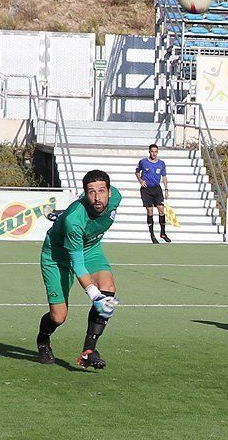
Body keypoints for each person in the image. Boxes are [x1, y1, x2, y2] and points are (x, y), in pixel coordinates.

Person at [36, 170, 122, 370]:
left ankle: (89, 351)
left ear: (110, 192)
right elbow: (77, 264)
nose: (97, 196)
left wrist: (102, 296)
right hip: (57, 255)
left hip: (90, 248)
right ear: (84, 194)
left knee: (108, 287)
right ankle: (43, 339)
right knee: (59, 317)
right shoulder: (74, 222)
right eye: (91, 192)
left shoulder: (116, 198)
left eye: (101, 191)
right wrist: (94, 296)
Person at [136, 143, 171, 244]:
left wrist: (166, 189)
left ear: (157, 152)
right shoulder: (143, 162)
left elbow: (164, 177)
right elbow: (137, 172)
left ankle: (163, 233)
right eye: (152, 151)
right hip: (146, 190)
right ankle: (152, 235)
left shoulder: (161, 163)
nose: (154, 153)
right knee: (150, 211)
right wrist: (140, 181)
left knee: (161, 210)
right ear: (149, 152)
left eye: (155, 151)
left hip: (157, 189)